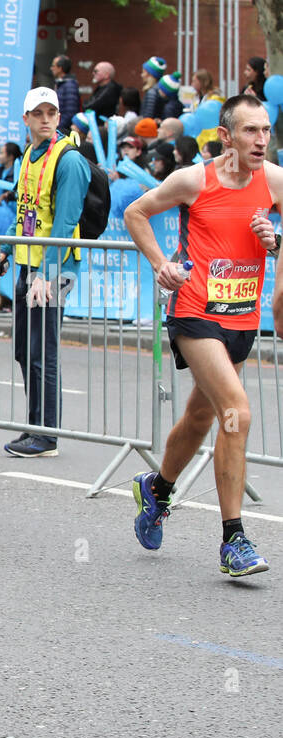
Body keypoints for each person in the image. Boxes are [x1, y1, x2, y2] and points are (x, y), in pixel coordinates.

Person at [126, 95, 283, 576]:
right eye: (251, 131)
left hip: (241, 318)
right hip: (195, 311)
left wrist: (275, 240)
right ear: (225, 135)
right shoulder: (194, 180)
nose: (262, 140)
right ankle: (233, 540)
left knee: (200, 417)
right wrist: (162, 265)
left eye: (267, 130)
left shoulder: (274, 181)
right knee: (235, 411)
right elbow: (136, 212)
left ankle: (157, 489)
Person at [0, 87, 90, 458]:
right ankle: (34, 425)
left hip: (55, 271)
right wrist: (4, 249)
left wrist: (46, 274)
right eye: (37, 113)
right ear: (26, 119)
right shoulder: (28, 156)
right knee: (25, 349)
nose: (45, 118)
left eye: (51, 112)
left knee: (44, 350)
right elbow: (25, 214)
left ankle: (47, 435)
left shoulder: (68, 160)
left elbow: (65, 223)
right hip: (28, 264)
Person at [52, 56, 82, 132]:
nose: (51, 68)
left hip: (63, 131)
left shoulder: (69, 85)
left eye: (53, 66)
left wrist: (57, 128)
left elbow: (70, 113)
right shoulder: (61, 84)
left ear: (60, 68)